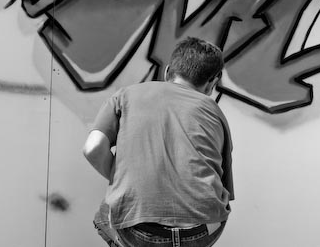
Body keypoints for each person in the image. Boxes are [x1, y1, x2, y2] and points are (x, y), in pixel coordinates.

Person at [83, 37, 234, 247]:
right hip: (201, 231)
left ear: (168, 71)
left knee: (105, 213)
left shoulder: (126, 96)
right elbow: (222, 182)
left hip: (140, 232)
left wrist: (121, 181)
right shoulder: (214, 111)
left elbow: (92, 148)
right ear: (212, 83)